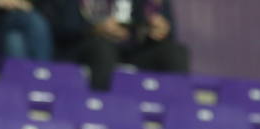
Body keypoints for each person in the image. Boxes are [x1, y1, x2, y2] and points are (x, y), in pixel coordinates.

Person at [55, 1, 190, 92]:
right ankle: (98, 108)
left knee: (175, 53)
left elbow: (166, 29)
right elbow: (63, 26)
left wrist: (159, 29)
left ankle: (178, 115)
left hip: (136, 50)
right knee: (103, 50)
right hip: (91, 47)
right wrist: (94, 28)